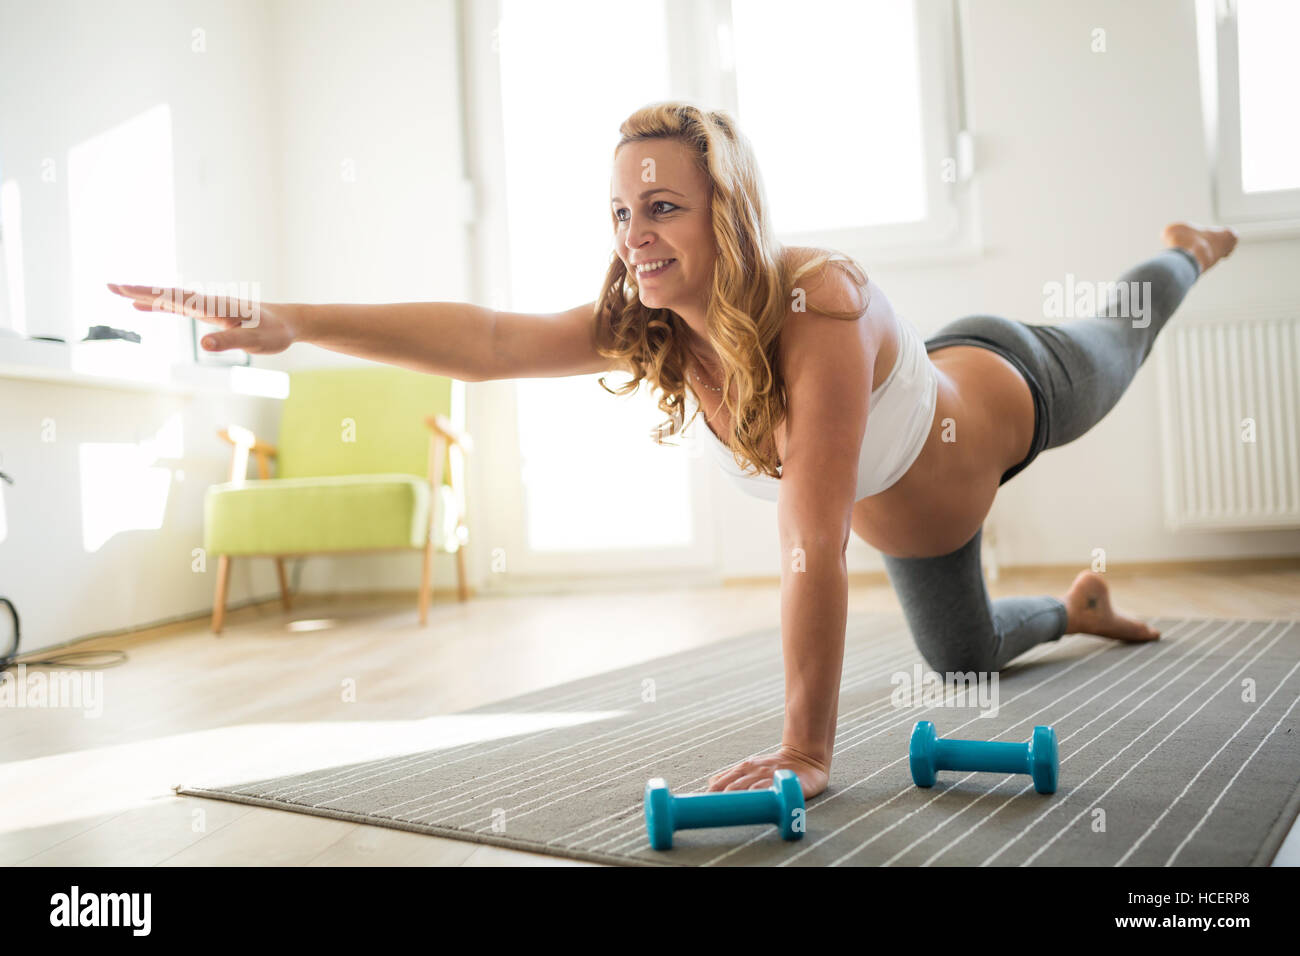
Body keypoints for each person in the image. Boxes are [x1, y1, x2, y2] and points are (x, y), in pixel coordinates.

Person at [108, 102, 1238, 800]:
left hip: (1006, 392)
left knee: (1118, 336)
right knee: (965, 659)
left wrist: (804, 745)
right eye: (617, 211)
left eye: (662, 206)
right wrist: (296, 319)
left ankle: (1186, 250)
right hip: (927, 517)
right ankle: (1077, 607)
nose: (633, 234)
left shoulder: (820, 303)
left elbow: (808, 538)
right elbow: (491, 341)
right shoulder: (656, 321)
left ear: (726, 210)